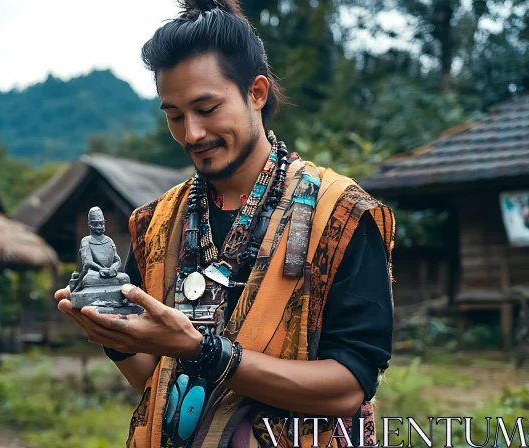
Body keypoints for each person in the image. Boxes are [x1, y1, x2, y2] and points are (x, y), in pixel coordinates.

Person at [54, 1, 394, 446]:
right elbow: (154, 382)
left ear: (256, 92)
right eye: (174, 116)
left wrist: (203, 351)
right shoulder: (157, 224)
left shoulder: (341, 214)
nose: (192, 133)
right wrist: (112, 335)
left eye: (207, 108)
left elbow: (349, 387)